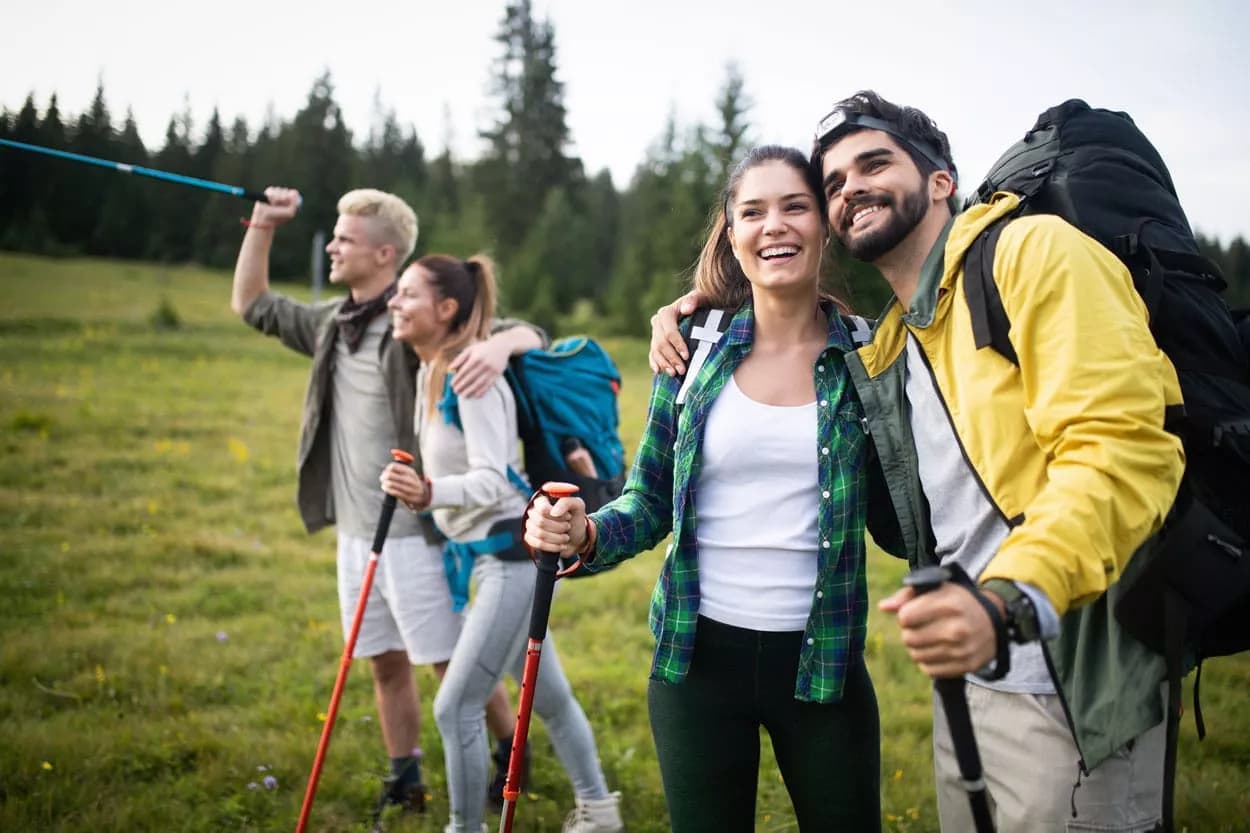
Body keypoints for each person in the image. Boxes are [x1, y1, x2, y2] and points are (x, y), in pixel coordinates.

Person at [651, 92, 1186, 832]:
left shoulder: (1033, 254)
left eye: (875, 164)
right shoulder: (895, 342)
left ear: (941, 179)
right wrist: (702, 311)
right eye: (833, 182)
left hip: (1070, 670)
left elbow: (1122, 451)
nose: (851, 190)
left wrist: (1008, 597)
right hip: (965, 678)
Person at [527, 146, 903, 833]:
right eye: (752, 212)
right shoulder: (694, 346)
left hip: (823, 663)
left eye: (794, 206)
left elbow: (904, 519)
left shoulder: (870, 355)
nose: (774, 226)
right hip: (695, 659)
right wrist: (581, 533)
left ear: (824, 223)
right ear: (732, 235)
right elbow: (646, 502)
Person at [230, 187, 541, 818]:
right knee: (381, 661)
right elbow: (253, 304)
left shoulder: (411, 323)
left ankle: (511, 750)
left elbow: (530, 332)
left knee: (447, 660)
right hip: (356, 528)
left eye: (345, 238)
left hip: (415, 531)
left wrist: (499, 347)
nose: (334, 246)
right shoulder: (329, 324)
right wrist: (262, 224)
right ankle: (406, 777)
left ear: (385, 253)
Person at [379, 253, 624, 833]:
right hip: (491, 559)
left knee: (456, 706)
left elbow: (494, 478)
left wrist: (430, 490)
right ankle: (600, 810)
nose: (395, 301)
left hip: (510, 560)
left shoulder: (472, 379)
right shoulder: (428, 369)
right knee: (552, 698)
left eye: (408, 294)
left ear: (445, 309)